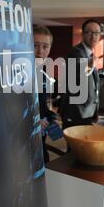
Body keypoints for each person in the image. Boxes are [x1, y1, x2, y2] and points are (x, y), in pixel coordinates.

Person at [60, 19, 102, 131]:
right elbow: (80, 74)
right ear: (83, 34)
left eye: (97, 33)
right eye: (89, 32)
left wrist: (94, 110)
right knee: (76, 147)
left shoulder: (88, 54)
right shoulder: (76, 52)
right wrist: (91, 64)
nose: (93, 36)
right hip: (76, 112)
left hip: (85, 112)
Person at [34, 25, 59, 163]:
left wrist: (52, 116)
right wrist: (32, 122)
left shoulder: (42, 73)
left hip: (40, 144)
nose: (40, 51)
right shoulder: (14, 73)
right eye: (35, 45)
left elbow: (42, 107)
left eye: (45, 46)